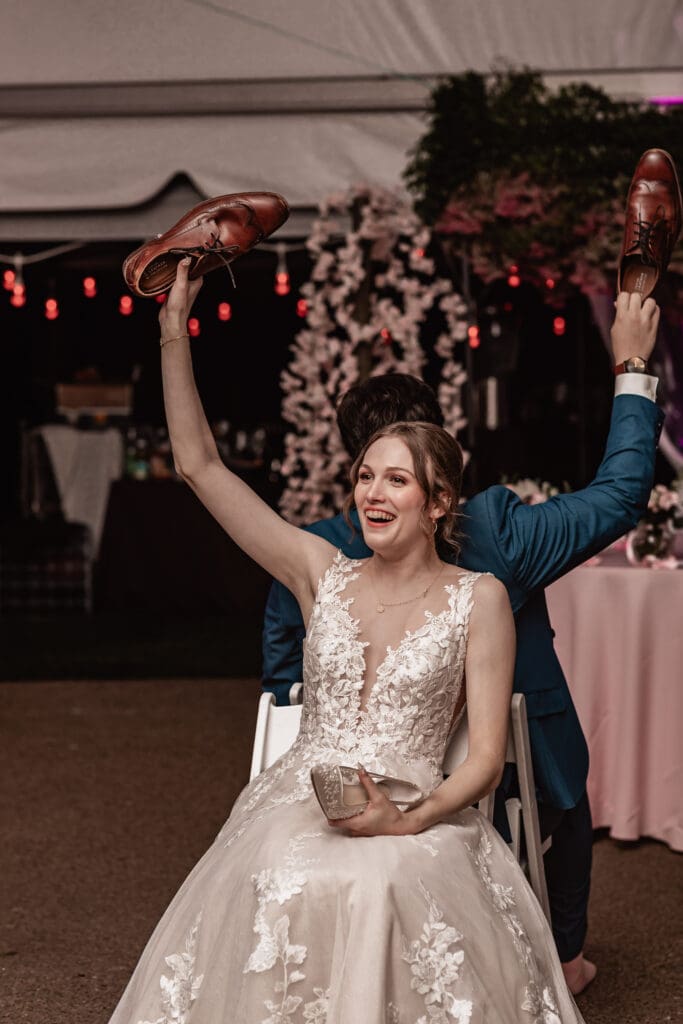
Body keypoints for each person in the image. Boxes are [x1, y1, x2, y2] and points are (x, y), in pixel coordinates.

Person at [109, 258, 587, 1023]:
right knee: (278, 865)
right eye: (365, 476)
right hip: (299, 799)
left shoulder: (480, 598)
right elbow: (200, 467)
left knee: (381, 882)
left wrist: (409, 816)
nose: (372, 492)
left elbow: (487, 757)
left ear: (436, 502)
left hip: (419, 808)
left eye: (396, 480)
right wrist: (173, 333)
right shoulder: (316, 571)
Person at [262, 293, 663, 995]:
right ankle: (564, 956)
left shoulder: (314, 551)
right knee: (561, 789)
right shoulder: (497, 528)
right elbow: (621, 494)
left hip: (344, 790)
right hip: (509, 766)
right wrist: (631, 363)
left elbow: (277, 666)